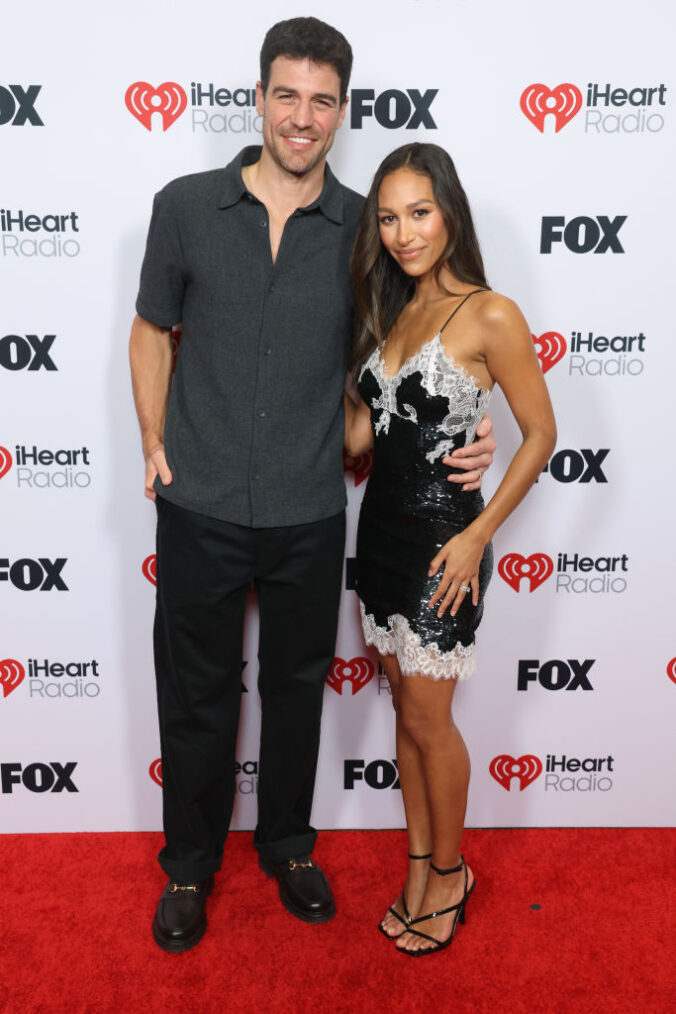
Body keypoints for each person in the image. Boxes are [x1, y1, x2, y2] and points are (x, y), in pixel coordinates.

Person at [129, 19, 495, 953]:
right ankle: (188, 865)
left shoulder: (365, 231)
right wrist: (149, 436)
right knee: (198, 691)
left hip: (309, 506)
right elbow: (148, 328)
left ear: (342, 111)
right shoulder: (183, 206)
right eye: (286, 95)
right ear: (259, 99)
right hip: (199, 497)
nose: (302, 116)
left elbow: (414, 354)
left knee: (296, 689)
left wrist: (471, 420)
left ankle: (289, 845)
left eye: (322, 100)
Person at [344, 143, 556, 955]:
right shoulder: (391, 313)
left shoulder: (490, 312)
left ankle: (452, 875)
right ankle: (419, 868)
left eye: (419, 213)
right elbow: (363, 437)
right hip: (382, 540)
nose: (404, 233)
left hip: (445, 545)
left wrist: (476, 536)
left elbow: (541, 434)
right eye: (389, 218)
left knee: (432, 720)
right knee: (406, 711)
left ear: (451, 213)